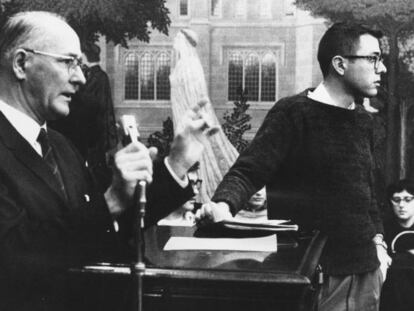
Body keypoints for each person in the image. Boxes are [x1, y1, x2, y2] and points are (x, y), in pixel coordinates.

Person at [0, 11, 214, 311]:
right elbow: (15, 256)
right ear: (22, 63)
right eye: (68, 62)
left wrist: (176, 164)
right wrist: (112, 199)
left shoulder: (60, 146)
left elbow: (107, 228)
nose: (81, 77)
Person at [196, 22, 392, 311]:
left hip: (367, 275)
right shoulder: (293, 113)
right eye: (373, 58)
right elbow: (248, 171)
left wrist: (379, 246)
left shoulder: (365, 122)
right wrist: (223, 207)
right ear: (339, 64)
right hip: (312, 278)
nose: (382, 68)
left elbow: (369, 194)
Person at [170, 28, 239, 202]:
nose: (175, 44)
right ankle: (190, 193)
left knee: (197, 151)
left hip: (189, 115)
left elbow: (195, 96)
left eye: (178, 40)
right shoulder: (183, 65)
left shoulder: (190, 66)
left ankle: (198, 193)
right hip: (182, 114)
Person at [50, 42, 118, 192]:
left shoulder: (97, 77)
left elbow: (96, 105)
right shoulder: (97, 76)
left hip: (88, 125)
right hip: (83, 125)